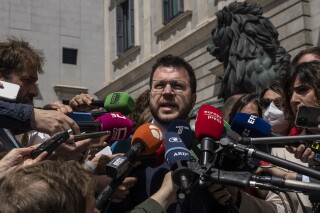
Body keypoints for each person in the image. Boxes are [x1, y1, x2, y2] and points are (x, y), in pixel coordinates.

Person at [108, 54, 223, 213]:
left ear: (193, 98)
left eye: (177, 85)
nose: (167, 92)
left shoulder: (209, 149)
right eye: (160, 85)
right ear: (150, 96)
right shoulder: (124, 147)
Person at [0, 37, 90, 161]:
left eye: (35, 83)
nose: (34, 92)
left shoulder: (8, 128)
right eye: (27, 81)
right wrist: (33, 116)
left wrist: (56, 115)